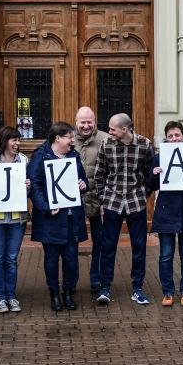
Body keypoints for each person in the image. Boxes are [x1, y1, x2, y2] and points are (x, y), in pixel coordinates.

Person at [93, 113, 155, 305]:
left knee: (139, 247)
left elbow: (150, 173)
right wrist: (103, 198)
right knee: (108, 245)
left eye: (112, 129)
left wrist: (143, 194)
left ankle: (137, 288)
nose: (109, 132)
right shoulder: (107, 144)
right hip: (112, 201)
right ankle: (105, 287)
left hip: (136, 202)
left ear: (125, 129)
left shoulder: (145, 145)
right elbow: (100, 173)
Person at [29, 121, 90, 311]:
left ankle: (68, 292)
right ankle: (54, 293)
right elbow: (35, 185)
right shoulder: (40, 156)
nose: (72, 141)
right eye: (69, 137)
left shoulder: (74, 156)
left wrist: (83, 185)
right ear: (58, 138)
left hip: (72, 217)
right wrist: (46, 207)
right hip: (51, 218)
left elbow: (83, 180)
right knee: (51, 258)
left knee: (71, 258)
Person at [148, 121, 183, 307]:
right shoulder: (159, 157)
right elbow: (152, 185)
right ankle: (168, 292)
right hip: (166, 211)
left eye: (177, 135)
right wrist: (154, 174)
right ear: (166, 138)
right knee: (166, 255)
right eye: (170, 136)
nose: (174, 139)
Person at [0, 126, 31, 313]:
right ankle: (0, 297)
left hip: (17, 219)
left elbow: (31, 188)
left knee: (11, 258)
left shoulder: (25, 161)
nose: (17, 144)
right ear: (4, 141)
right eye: (14, 140)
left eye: (18, 140)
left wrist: (28, 186)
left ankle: (11, 295)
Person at [71, 106, 109, 293]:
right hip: (73, 202)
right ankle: (71, 282)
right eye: (82, 122)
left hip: (98, 199)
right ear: (76, 122)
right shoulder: (67, 140)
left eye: (89, 122)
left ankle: (97, 279)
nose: (86, 126)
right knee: (71, 243)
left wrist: (106, 200)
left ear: (94, 121)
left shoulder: (105, 139)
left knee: (100, 241)